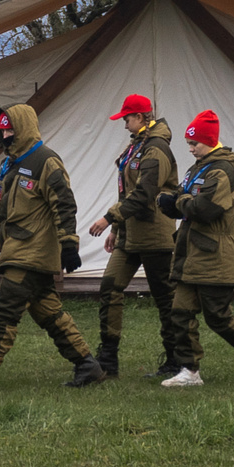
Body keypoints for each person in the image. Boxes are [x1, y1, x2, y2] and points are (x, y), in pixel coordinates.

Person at [0, 103, 103, 389]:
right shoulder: (9, 165)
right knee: (50, 314)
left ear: (23, 127)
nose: (5, 133)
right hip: (19, 251)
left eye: (10, 127)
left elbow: (64, 205)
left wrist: (69, 244)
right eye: (2, 128)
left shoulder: (46, 161)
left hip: (33, 253)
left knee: (4, 312)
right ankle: (87, 365)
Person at [156, 110, 234, 388]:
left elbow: (206, 209)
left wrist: (178, 203)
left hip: (215, 255)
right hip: (192, 255)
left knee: (218, 317)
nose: (190, 149)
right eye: (189, 144)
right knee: (180, 311)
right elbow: (185, 195)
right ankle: (189, 371)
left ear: (210, 141)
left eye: (195, 144)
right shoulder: (199, 168)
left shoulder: (221, 171)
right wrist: (174, 199)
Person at [89, 93, 178, 381]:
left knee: (165, 299)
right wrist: (117, 230)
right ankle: (108, 359)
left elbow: (143, 194)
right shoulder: (137, 146)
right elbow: (126, 190)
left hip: (154, 234)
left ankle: (176, 360)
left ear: (141, 117)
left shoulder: (156, 149)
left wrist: (109, 218)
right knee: (109, 287)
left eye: (127, 118)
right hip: (130, 234)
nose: (124, 123)